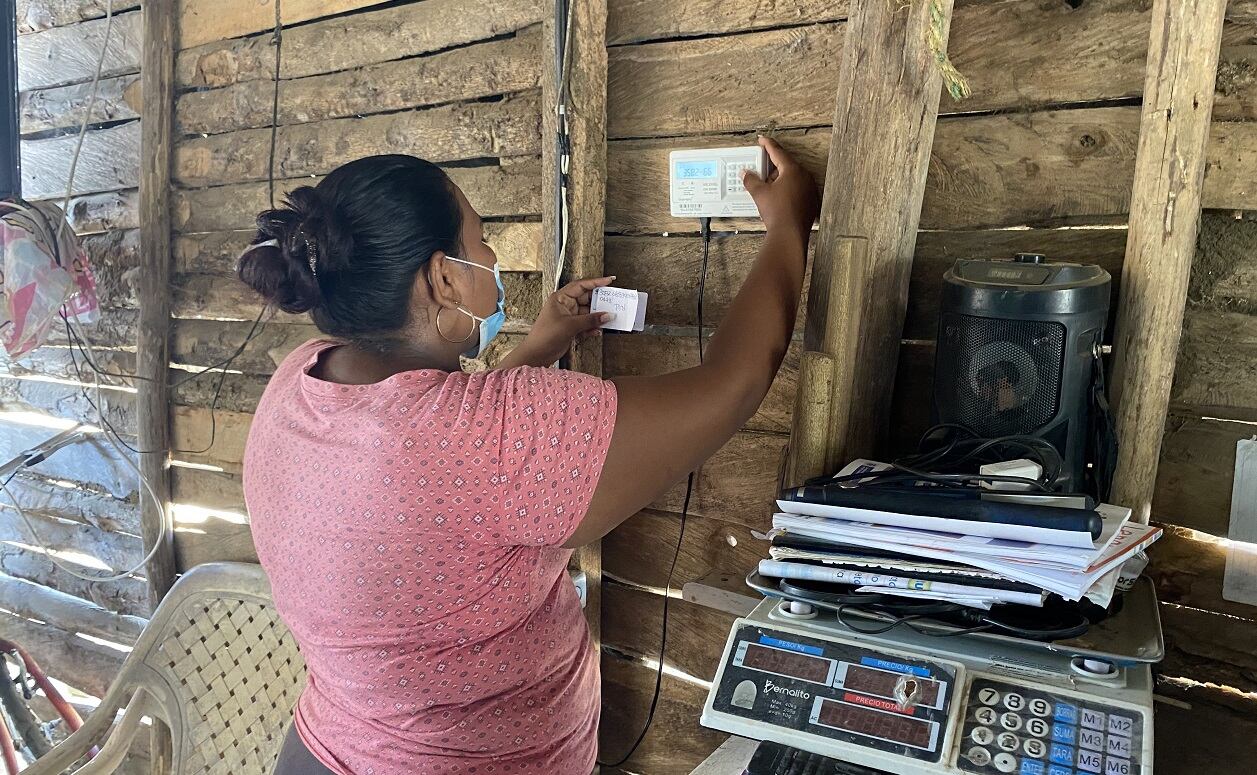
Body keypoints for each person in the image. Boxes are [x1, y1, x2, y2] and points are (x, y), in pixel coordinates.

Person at [239, 136, 819, 775]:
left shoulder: (299, 380)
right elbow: (730, 384)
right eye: (480, 240)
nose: (491, 258)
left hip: (323, 751)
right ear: (442, 277)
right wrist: (788, 223)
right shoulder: (481, 436)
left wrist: (537, 348)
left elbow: (444, 464)